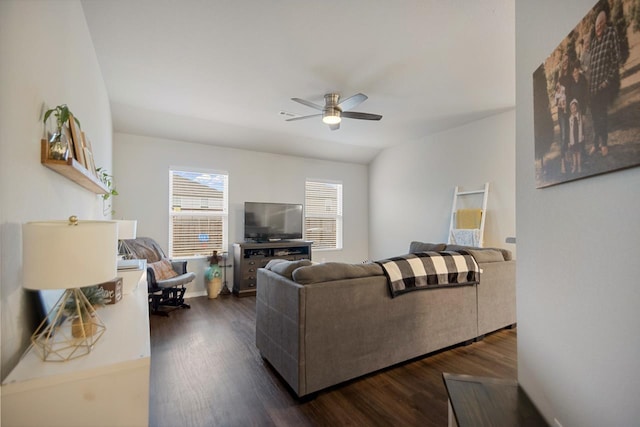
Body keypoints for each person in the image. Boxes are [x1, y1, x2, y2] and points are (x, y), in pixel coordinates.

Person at [588, 10, 621, 157]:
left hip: (602, 86)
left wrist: (607, 81)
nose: (598, 27)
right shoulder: (594, 42)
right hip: (592, 88)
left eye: (601, 23)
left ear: (605, 22)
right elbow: (591, 66)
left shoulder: (611, 34)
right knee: (595, 118)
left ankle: (604, 144)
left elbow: (616, 59)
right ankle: (596, 144)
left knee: (602, 117)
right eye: (596, 24)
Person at [568, 99, 584, 173]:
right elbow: (569, 130)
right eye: (571, 109)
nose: (573, 110)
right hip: (573, 139)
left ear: (577, 108)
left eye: (574, 108)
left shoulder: (579, 117)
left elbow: (582, 127)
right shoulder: (570, 119)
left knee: (579, 152)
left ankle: (579, 166)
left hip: (579, 138)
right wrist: (569, 141)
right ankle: (574, 166)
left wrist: (583, 135)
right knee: (574, 153)